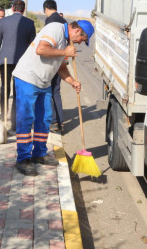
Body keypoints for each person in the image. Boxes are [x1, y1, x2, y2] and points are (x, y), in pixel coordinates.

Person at [12, 20, 95, 176]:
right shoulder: (56, 28)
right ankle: (23, 159)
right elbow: (41, 49)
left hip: (44, 82)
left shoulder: (67, 43)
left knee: (45, 118)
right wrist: (65, 52)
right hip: (27, 78)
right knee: (26, 118)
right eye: (81, 40)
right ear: (77, 31)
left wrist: (72, 82)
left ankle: (39, 154)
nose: (79, 43)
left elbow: (61, 68)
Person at [0, 0, 36, 130]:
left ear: (12, 8)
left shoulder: (3, 21)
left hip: (5, 59)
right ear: (23, 9)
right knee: (18, 90)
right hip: (22, 61)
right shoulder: (30, 23)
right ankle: (15, 120)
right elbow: (33, 45)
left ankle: (3, 114)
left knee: (5, 87)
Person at [43, 0, 67, 132]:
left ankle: (53, 121)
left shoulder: (49, 21)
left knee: (48, 91)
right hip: (61, 60)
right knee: (56, 91)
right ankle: (61, 122)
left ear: (46, 9)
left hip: (51, 61)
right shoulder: (64, 21)